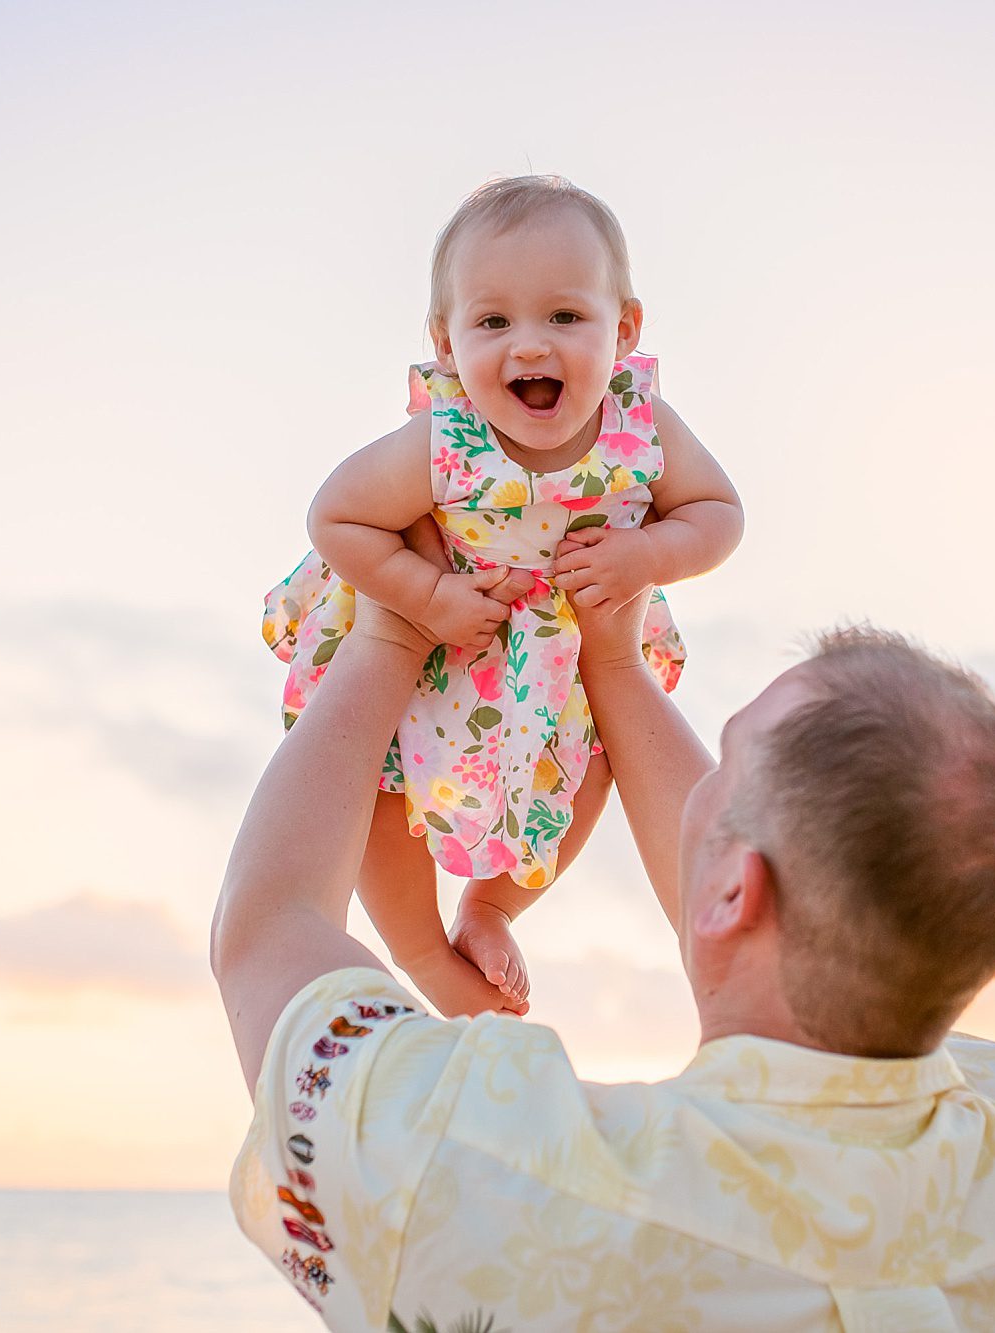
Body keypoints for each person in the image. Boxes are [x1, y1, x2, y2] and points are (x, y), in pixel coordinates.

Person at [212, 583, 995, 1330]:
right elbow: (804, 915)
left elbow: (266, 934)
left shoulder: (500, 1175)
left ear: (735, 894)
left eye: (722, 761)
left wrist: (386, 633)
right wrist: (613, 659)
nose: (695, 789)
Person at [260, 175, 742, 1019]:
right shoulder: (443, 441)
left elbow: (719, 514)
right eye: (494, 322)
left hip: (556, 656)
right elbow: (336, 517)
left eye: (564, 316)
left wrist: (647, 553)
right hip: (436, 644)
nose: (529, 347)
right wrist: (427, 595)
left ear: (622, 329)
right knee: (378, 787)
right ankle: (420, 949)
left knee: (593, 771)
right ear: (446, 343)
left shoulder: (644, 428)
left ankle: (491, 907)